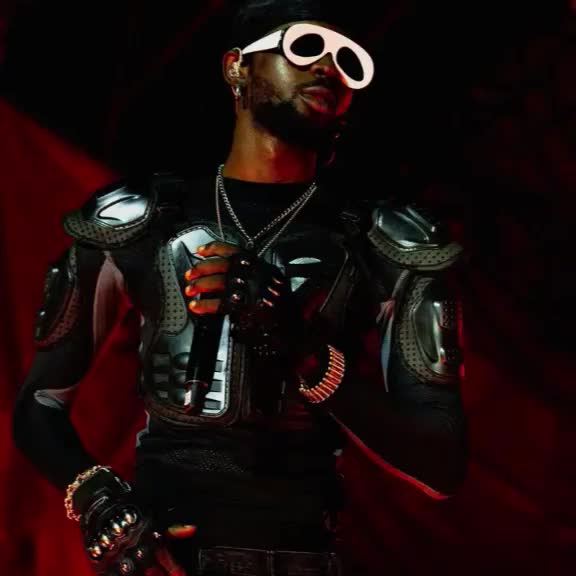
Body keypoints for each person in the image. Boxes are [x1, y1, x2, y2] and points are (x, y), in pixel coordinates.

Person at [11, 0, 468, 574]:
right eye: (304, 46)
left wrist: (305, 353)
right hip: (167, 560)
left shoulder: (383, 241)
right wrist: (98, 497)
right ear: (236, 67)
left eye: (348, 60)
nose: (327, 67)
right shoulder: (142, 220)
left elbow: (441, 460)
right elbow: (39, 405)